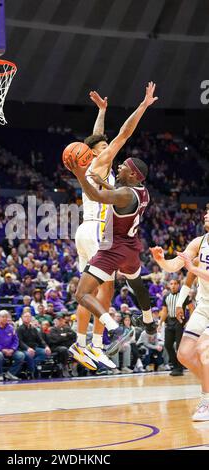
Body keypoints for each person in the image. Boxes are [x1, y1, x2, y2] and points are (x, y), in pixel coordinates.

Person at [70, 83, 158, 370]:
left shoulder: (93, 163)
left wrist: (102, 111)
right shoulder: (101, 162)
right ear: (97, 152)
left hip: (84, 230)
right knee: (105, 291)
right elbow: (122, 134)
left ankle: (83, 345)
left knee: (88, 292)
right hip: (98, 230)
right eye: (104, 147)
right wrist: (143, 106)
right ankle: (104, 339)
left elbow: (97, 138)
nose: (110, 147)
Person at [150, 211, 209, 420]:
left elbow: (193, 270)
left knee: (204, 351)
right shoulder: (199, 242)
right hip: (204, 307)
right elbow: (177, 265)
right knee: (183, 354)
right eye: (207, 211)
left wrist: (193, 268)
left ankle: (206, 402)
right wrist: (162, 261)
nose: (206, 215)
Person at [0, 310, 22, 381]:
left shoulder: (11, 328)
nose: (5, 318)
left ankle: (10, 373)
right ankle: (0, 374)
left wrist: (12, 349)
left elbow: (16, 340)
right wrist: (2, 349)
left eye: (6, 317)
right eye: (3, 317)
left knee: (21, 355)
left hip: (9, 350)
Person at [158, 279, 184, 376]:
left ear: (179, 285)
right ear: (169, 285)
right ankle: (175, 366)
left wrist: (188, 322)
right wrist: (160, 323)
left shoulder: (183, 295)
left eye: (175, 284)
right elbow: (164, 311)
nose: (173, 286)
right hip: (169, 322)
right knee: (168, 345)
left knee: (179, 346)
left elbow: (191, 308)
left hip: (179, 322)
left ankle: (180, 368)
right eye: (171, 283)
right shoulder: (166, 296)